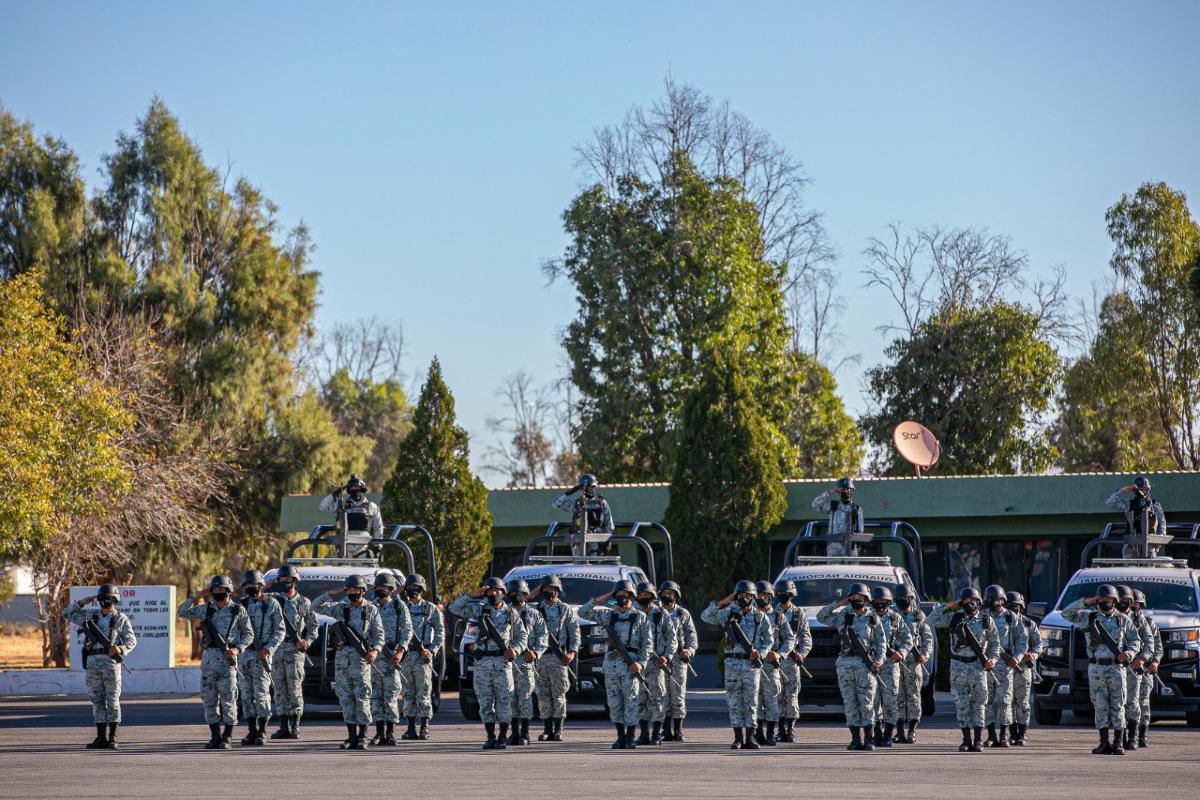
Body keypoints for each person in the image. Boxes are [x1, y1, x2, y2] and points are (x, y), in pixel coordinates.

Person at [448, 577, 528, 750]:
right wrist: (470, 595)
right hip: (482, 662)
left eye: (498, 591)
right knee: (485, 702)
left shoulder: (510, 613)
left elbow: (522, 636)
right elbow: (454, 608)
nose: (494, 594)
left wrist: (515, 650)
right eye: (491, 591)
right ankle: (490, 736)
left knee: (504, 701)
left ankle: (502, 736)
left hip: (502, 662)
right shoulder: (478, 609)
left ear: (503, 593)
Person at [1061, 584, 1140, 755]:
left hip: (1116, 667)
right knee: (1100, 705)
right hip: (1096, 667)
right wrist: (1086, 601)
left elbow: (1135, 640)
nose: (1106, 603)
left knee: (1118, 704)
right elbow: (1066, 613)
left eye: (1109, 600)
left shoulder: (1123, 620)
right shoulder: (1088, 618)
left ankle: (1118, 743)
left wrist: (1129, 652)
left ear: (1115, 601)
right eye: (1102, 600)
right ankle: (1104, 742)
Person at [177, 575, 253, 749]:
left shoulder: (238, 610)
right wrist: (196, 596)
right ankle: (215, 736)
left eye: (222, 590)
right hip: (209, 661)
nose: (219, 593)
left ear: (229, 591)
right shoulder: (206, 609)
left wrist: (237, 649)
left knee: (229, 701)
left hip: (228, 662)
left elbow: (249, 634)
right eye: (215, 590)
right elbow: (181, 611)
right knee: (209, 701)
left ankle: (227, 737)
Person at [313, 575, 386, 749]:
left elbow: (379, 634)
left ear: (362, 591)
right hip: (342, 661)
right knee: (345, 699)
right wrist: (329, 593)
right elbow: (315, 606)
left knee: (362, 698)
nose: (352, 592)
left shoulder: (371, 610)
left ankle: (363, 736)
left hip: (361, 660)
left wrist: (375, 650)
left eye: (355, 589)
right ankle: (351, 736)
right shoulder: (340, 608)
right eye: (349, 589)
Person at [702, 580, 775, 750]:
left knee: (751, 703)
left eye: (747, 595)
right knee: (734, 702)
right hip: (732, 664)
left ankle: (750, 738)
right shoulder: (728, 613)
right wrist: (724, 601)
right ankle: (737, 738)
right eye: (741, 595)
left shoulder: (760, 617)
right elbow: (706, 616)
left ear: (753, 597)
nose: (744, 598)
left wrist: (761, 653)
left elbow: (769, 640)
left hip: (751, 665)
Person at [63, 583, 136, 749]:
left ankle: (113, 737)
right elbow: (66, 613)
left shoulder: (120, 619)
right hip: (93, 664)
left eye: (108, 598)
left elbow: (132, 641)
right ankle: (100, 737)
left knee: (112, 700)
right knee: (97, 700)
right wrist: (81, 603)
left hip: (111, 664)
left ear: (115, 600)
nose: (104, 601)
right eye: (102, 598)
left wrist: (120, 648)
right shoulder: (90, 616)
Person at [580, 580, 651, 750]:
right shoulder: (608, 615)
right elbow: (583, 612)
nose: (622, 597)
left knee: (631, 701)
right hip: (611, 664)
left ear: (631, 596)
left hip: (631, 664)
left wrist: (641, 663)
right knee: (614, 702)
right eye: (618, 594)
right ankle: (620, 736)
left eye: (625, 594)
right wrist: (604, 597)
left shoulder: (640, 617)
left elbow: (648, 644)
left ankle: (630, 737)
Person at [928, 587, 999, 753]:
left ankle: (978, 740)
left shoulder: (986, 621)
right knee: (962, 705)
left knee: (979, 704)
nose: (969, 604)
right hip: (958, 666)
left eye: (972, 601)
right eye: (965, 601)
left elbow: (995, 644)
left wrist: (993, 660)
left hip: (978, 666)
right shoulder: (955, 618)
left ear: (978, 602)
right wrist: (948, 605)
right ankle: (966, 740)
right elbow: (930, 621)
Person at [816, 582, 885, 751]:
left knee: (867, 703)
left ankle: (869, 739)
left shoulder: (873, 617)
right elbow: (821, 617)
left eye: (860, 597)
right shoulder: (843, 615)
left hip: (865, 666)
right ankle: (855, 739)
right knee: (850, 703)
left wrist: (878, 660)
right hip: (845, 665)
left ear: (866, 599)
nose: (857, 600)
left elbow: (881, 642)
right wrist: (838, 604)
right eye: (853, 597)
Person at [266, 564, 318, 740]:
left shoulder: (304, 602)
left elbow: (313, 627)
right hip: (276, 650)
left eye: (288, 579)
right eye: (282, 579)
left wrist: (307, 642)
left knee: (295, 689)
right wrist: (269, 583)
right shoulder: (273, 600)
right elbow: (253, 597)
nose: (285, 582)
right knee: (279, 689)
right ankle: (283, 726)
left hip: (295, 651)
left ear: (295, 581)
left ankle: (294, 727)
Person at [236, 570, 284, 747]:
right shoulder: (240, 606)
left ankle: (262, 731)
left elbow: (280, 630)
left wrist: (268, 648)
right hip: (244, 655)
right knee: (246, 694)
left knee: (261, 694)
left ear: (261, 586)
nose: (250, 588)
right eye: (247, 585)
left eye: (253, 585)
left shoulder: (271, 604)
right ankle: (251, 730)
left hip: (262, 653)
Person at [532, 575, 580, 742]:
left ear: (558, 590)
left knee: (558, 694)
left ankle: (558, 729)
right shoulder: (535, 609)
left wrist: (571, 652)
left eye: (552, 589)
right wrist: (532, 594)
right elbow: (515, 608)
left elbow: (574, 633)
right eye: (546, 589)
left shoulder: (565, 609)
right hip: (540, 658)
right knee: (543, 694)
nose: (549, 592)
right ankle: (547, 729)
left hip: (559, 658)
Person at [368, 572, 412, 746]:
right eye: (378, 587)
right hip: (374, 656)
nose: (381, 590)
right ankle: (379, 732)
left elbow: (407, 630)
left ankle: (390, 732)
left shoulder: (399, 606)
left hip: (392, 655)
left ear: (391, 589)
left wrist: (401, 651)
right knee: (376, 696)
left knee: (391, 695)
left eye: (384, 587)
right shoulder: (370, 607)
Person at [981, 584, 1027, 748]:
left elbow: (1023, 640)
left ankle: (1004, 735)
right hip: (987, 665)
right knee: (987, 700)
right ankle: (991, 735)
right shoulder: (982, 616)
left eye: (998, 599)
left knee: (1005, 701)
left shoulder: (1011, 617)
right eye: (991, 600)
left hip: (1005, 665)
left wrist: (1017, 657)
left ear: (1003, 600)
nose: (995, 603)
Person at [400, 573, 444, 741]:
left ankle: (424, 727)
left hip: (423, 655)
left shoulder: (430, 608)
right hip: (406, 655)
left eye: (415, 588)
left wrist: (432, 650)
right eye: (409, 588)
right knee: (408, 692)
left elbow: (440, 632)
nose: (412, 591)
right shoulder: (402, 607)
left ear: (421, 589)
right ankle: (410, 727)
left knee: (424, 692)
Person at [634, 581, 678, 745]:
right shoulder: (633, 613)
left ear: (652, 596)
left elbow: (672, 638)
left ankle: (656, 734)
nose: (643, 598)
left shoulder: (661, 613)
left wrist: (666, 656)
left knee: (658, 698)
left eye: (647, 595)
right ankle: (644, 734)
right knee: (640, 699)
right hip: (638, 663)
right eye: (641, 595)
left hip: (656, 663)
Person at [505, 578, 547, 746]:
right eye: (514, 593)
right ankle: (514, 732)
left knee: (525, 697)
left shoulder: (534, 614)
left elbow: (543, 636)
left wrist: (536, 653)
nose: (517, 596)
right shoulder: (504, 612)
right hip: (508, 661)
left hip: (525, 662)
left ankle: (525, 733)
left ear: (526, 594)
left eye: (521, 593)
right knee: (510, 697)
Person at [870, 585, 913, 748]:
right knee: (872, 702)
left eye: (883, 601)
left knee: (890, 701)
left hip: (889, 666)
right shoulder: (866, 617)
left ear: (888, 602)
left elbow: (908, 640)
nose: (880, 604)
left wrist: (901, 652)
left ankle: (888, 734)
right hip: (871, 666)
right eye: (877, 601)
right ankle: (876, 734)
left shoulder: (895, 618)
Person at [754, 580, 796, 746]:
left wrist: (779, 654)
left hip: (771, 666)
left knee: (772, 699)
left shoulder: (779, 617)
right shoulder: (750, 615)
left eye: (765, 595)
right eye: (758, 595)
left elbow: (790, 639)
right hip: (753, 665)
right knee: (755, 700)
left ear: (771, 597)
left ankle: (771, 733)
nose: (761, 597)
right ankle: (758, 733)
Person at [772, 579, 812, 744]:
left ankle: (791, 729)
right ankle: (780, 729)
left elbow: (806, 638)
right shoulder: (773, 613)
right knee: (777, 695)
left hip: (791, 662)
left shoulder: (798, 614)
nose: (783, 596)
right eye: (780, 594)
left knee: (792, 695)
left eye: (785, 594)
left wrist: (802, 653)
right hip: (775, 660)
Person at [658, 580, 698, 742]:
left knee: (678, 695)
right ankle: (665, 729)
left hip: (678, 659)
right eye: (665, 593)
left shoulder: (683, 613)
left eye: (671, 593)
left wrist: (690, 650)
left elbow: (692, 635)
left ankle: (678, 729)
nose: (667, 596)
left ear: (676, 595)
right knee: (662, 694)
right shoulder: (656, 612)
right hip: (660, 659)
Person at [893, 583, 933, 744]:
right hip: (895, 663)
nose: (903, 601)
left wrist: (925, 655)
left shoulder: (919, 616)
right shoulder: (891, 616)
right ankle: (900, 731)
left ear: (911, 599)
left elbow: (928, 638)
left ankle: (912, 730)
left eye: (906, 598)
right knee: (897, 696)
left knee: (914, 696)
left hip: (913, 663)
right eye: (900, 599)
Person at [1116, 585, 1154, 751]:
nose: (1123, 604)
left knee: (1133, 702)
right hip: (1116, 668)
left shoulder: (1139, 620)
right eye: (1120, 601)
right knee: (1118, 704)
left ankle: (1133, 737)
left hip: (1133, 667)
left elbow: (1149, 642)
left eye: (1126, 602)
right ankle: (1120, 737)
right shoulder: (1110, 618)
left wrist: (1141, 659)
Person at [1004, 591, 1042, 747]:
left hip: (1023, 668)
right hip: (1006, 668)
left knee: (1023, 702)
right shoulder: (1002, 623)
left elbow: (1039, 644)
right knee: (1008, 701)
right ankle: (1012, 733)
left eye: (1016, 607)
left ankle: (1022, 733)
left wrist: (1032, 655)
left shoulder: (1028, 624)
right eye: (1010, 607)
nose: (1014, 611)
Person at [1128, 589, 1161, 748]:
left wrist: (1154, 661)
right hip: (1128, 669)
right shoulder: (1122, 621)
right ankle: (1130, 735)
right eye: (1131, 603)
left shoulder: (1149, 623)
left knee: (1143, 703)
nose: (1134, 606)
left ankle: (1142, 734)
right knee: (1129, 703)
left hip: (1145, 669)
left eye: (1137, 604)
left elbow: (1157, 647)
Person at [1106, 477, 1167, 558]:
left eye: (1143, 489)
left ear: (1148, 489)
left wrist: (1159, 541)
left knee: (1149, 570)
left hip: (1149, 545)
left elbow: (1162, 525)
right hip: (1131, 546)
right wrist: (1122, 491)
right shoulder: (1129, 504)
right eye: (1139, 489)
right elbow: (1110, 502)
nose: (1141, 491)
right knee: (1130, 570)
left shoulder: (1155, 505)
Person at [319, 474, 383, 542]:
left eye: (357, 487)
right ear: (349, 490)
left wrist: (378, 546)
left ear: (362, 489)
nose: (354, 489)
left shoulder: (371, 506)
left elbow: (378, 527)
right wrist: (334, 495)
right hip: (345, 544)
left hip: (364, 543)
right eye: (352, 488)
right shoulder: (342, 504)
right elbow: (323, 507)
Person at [811, 477, 864, 556]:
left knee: (853, 568)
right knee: (833, 569)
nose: (846, 492)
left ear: (852, 490)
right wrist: (830, 492)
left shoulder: (857, 509)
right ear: (839, 491)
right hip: (833, 547)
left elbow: (860, 530)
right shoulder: (833, 506)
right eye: (843, 489)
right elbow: (815, 504)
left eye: (849, 489)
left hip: (851, 547)